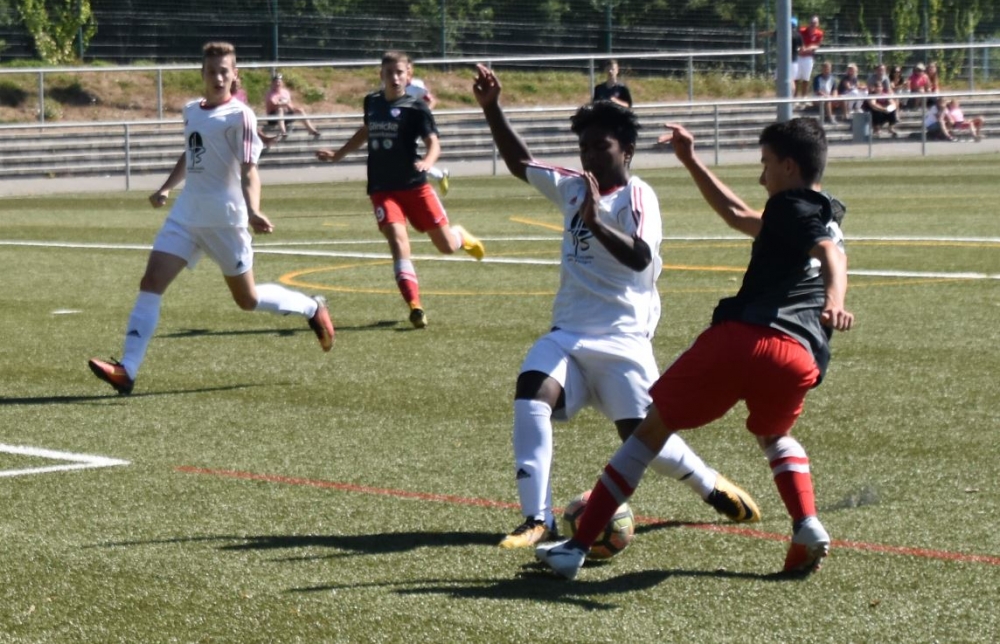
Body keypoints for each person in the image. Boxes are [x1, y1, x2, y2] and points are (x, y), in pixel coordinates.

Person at [536, 117, 854, 580]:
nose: (761, 177)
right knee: (775, 436)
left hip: (744, 338)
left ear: (789, 166)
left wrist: (835, 300)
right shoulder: (822, 214)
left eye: (766, 164)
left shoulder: (792, 206)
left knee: (648, 432)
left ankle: (576, 547)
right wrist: (691, 160)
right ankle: (806, 523)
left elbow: (830, 254)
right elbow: (740, 216)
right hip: (799, 356)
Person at [471, 63, 761, 550]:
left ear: (625, 149)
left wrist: (596, 222)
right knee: (531, 392)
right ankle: (536, 519)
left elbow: (640, 257)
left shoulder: (637, 195)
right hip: (568, 335)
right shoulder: (572, 187)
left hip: (623, 340)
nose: (589, 155)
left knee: (645, 441)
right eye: (583, 147)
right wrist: (492, 108)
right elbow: (522, 163)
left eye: (599, 146)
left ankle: (708, 483)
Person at [88, 41, 335, 396]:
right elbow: (191, 154)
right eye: (212, 71)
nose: (218, 78)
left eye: (224, 71)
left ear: (235, 75)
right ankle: (127, 370)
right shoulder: (192, 110)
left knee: (247, 300)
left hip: (225, 221)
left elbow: (249, 169)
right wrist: (166, 187)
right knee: (151, 281)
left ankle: (311, 308)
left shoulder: (241, 115)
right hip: (186, 216)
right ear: (202, 74)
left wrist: (253, 210)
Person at [315, 51, 485, 329]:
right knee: (397, 240)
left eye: (399, 72)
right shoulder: (372, 102)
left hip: (414, 186)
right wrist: (338, 154)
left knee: (446, 246)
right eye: (389, 72)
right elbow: (366, 130)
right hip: (382, 188)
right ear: (381, 75)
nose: (394, 78)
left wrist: (428, 161)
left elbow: (433, 143)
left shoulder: (416, 108)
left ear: (409, 74)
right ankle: (415, 305)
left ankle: (460, 235)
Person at [405, 64, 449, 196]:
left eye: (408, 69)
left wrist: (424, 114)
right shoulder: (392, 86)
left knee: (408, 158)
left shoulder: (416, 86)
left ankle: (435, 177)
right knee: (407, 159)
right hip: (401, 126)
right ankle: (440, 175)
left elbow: (431, 100)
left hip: (413, 127)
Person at [265, 73, 322, 139]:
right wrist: (285, 103)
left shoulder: (285, 92)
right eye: (276, 82)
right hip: (273, 117)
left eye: (279, 82)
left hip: (286, 115)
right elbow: (275, 104)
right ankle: (283, 132)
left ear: (282, 83)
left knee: (300, 110)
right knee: (280, 109)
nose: (278, 84)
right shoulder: (270, 94)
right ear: (272, 83)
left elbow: (290, 106)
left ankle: (311, 130)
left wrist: (293, 108)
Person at [231, 78, 280, 149]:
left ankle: (264, 139)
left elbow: (245, 104)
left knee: (251, 122)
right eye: (235, 84)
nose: (237, 86)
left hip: (242, 114)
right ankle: (264, 139)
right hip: (233, 115)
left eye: (238, 84)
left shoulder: (242, 92)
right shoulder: (228, 94)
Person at [795, 16, 824, 100]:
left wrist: (807, 49)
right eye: (811, 22)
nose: (812, 25)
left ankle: (804, 97)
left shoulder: (819, 33)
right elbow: (796, 41)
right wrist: (801, 48)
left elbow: (817, 45)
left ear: (817, 24)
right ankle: (794, 97)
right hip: (799, 57)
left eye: (815, 23)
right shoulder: (801, 31)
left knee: (806, 78)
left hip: (808, 58)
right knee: (796, 78)